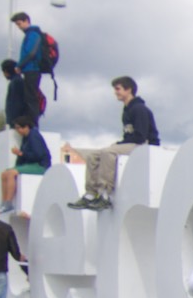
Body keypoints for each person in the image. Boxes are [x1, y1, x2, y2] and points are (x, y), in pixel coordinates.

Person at [68, 77, 161, 210]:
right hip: (133, 143)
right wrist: (119, 144)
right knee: (93, 156)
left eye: (118, 89)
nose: (115, 92)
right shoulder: (127, 109)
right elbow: (128, 135)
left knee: (108, 152)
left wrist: (119, 145)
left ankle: (105, 194)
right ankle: (90, 194)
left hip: (144, 145)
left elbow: (140, 136)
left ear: (128, 90)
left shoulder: (139, 109)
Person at [1, 115, 52, 205]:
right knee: (5, 174)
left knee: (11, 173)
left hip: (40, 166)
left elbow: (38, 155)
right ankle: (4, 202)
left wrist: (21, 154)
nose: (17, 130)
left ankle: (8, 202)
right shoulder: (26, 137)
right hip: (31, 164)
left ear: (26, 126)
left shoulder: (34, 136)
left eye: (18, 128)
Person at [11, 13, 50, 121]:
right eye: (17, 25)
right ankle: (31, 120)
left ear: (26, 21)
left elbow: (31, 53)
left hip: (32, 69)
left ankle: (33, 122)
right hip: (29, 69)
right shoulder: (30, 34)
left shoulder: (33, 34)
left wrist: (20, 65)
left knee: (31, 97)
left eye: (19, 24)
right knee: (29, 97)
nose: (19, 27)